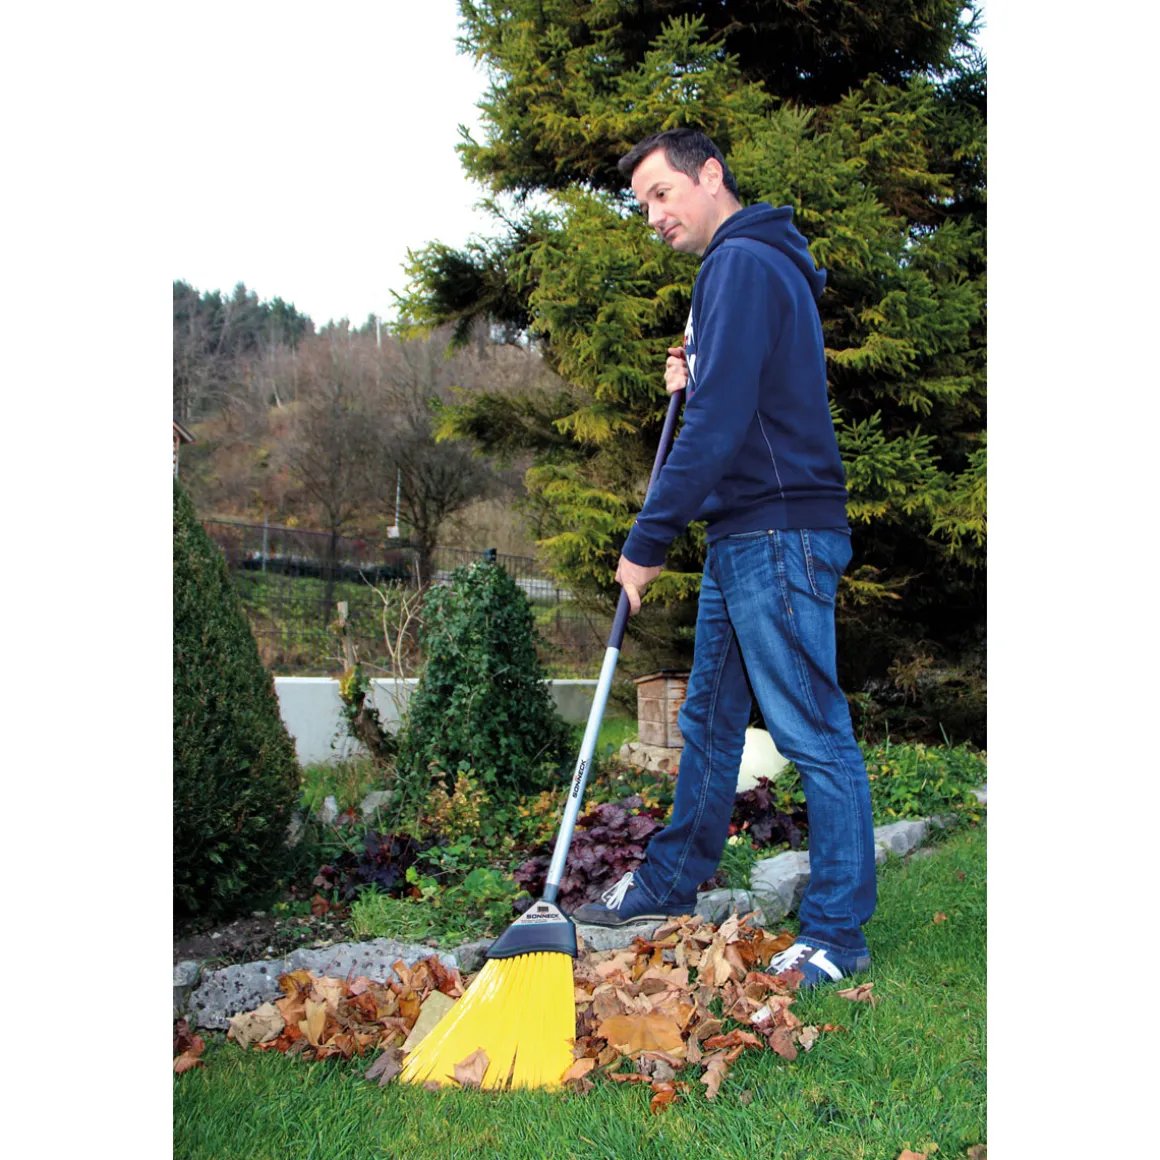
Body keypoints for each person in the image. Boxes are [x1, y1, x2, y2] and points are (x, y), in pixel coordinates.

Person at [571, 129, 876, 990]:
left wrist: (646, 541)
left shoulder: (738, 263)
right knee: (707, 720)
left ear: (710, 176)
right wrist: (696, 376)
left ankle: (837, 933)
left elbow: (719, 425)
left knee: (812, 731)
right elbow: (738, 395)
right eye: (642, 205)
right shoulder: (754, 265)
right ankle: (670, 881)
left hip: (776, 531)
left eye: (662, 194)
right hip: (746, 531)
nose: (653, 216)